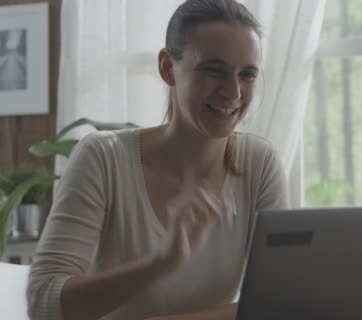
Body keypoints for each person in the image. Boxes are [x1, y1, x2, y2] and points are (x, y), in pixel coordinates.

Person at [26, 1, 288, 319]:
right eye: (213, 70)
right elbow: (44, 304)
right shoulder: (103, 158)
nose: (233, 93)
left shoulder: (259, 165)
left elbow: (278, 300)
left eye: (247, 75)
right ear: (167, 67)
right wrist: (160, 263)